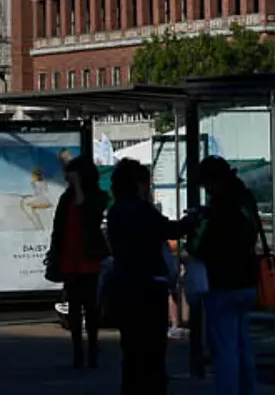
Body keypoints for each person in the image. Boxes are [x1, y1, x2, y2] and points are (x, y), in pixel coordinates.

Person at [106, 158, 194, 395]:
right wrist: (192, 220)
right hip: (148, 287)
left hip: (124, 287)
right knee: (153, 350)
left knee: (132, 349)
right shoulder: (141, 210)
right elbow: (170, 230)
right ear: (138, 184)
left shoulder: (115, 212)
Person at [189, 156, 259, 395]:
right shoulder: (246, 200)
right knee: (242, 344)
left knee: (225, 348)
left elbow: (199, 247)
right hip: (248, 281)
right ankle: (249, 390)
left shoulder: (217, 209)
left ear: (212, 182)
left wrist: (197, 221)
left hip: (223, 284)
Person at [48, 156, 108, 368]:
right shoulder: (66, 198)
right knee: (73, 306)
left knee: (91, 307)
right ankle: (77, 350)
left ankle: (92, 347)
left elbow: (88, 214)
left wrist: (78, 187)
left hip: (88, 258)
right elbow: (58, 228)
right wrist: (54, 254)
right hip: (69, 258)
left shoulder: (98, 196)